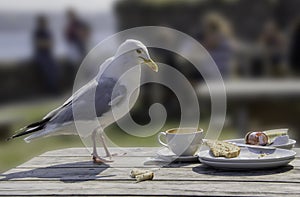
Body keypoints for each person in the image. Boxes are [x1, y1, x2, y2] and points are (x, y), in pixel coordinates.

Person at [33, 15, 59, 94]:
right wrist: (46, 43)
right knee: (46, 70)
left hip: (48, 55)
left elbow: (51, 43)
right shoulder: (38, 32)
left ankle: (54, 88)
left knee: (55, 69)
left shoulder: (47, 32)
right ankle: (50, 89)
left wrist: (46, 43)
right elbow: (39, 44)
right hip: (41, 55)